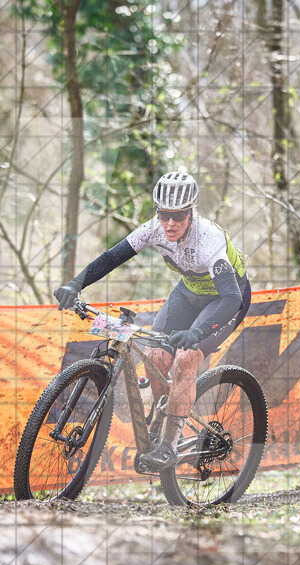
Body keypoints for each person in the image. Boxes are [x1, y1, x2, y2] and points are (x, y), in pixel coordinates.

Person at [53, 171, 252, 473]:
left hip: (225, 298)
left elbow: (231, 299)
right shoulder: (153, 229)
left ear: (190, 212)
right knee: (156, 357)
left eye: (178, 216)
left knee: (186, 359)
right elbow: (111, 258)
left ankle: (169, 448)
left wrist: (197, 332)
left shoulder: (208, 239)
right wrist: (74, 284)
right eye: (164, 215)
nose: (170, 223)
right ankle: (162, 424)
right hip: (189, 290)